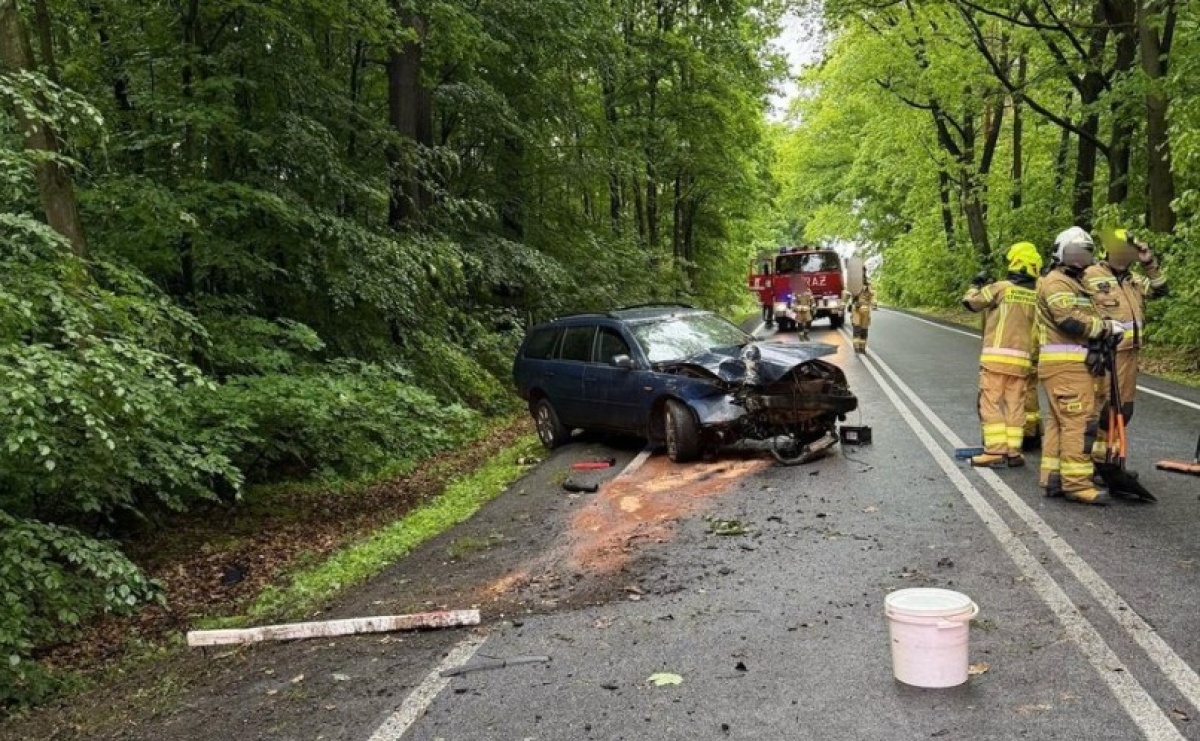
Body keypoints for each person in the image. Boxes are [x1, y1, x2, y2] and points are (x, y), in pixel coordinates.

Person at [1035, 227, 1126, 504]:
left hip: (1070, 365)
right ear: (1060, 254)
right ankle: (1076, 484)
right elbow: (1069, 320)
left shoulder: (1077, 283)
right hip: (1067, 366)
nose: (1079, 259)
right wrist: (1106, 328)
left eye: (1084, 254)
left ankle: (1053, 477)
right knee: (1078, 423)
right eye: (1073, 253)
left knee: (1059, 423)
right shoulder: (1056, 283)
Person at [1082, 229, 1169, 462]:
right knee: (1098, 408)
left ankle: (1109, 458)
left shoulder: (1134, 279)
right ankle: (1088, 460)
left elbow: (1161, 289)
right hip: (1102, 353)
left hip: (1129, 353)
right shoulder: (1089, 275)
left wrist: (1149, 262)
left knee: (1122, 409)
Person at [961, 242, 1042, 468]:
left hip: (996, 360)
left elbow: (971, 303)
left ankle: (995, 451)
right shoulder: (1036, 295)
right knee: (1016, 405)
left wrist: (975, 284)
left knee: (991, 403)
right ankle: (1014, 452)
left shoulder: (1001, 288)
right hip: (1022, 362)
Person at [849, 280, 874, 353]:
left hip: (865, 312)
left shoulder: (869, 291)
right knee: (857, 329)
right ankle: (857, 347)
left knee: (864, 330)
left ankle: (862, 348)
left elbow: (872, 300)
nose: (864, 286)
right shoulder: (855, 289)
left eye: (865, 285)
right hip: (857, 311)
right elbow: (849, 293)